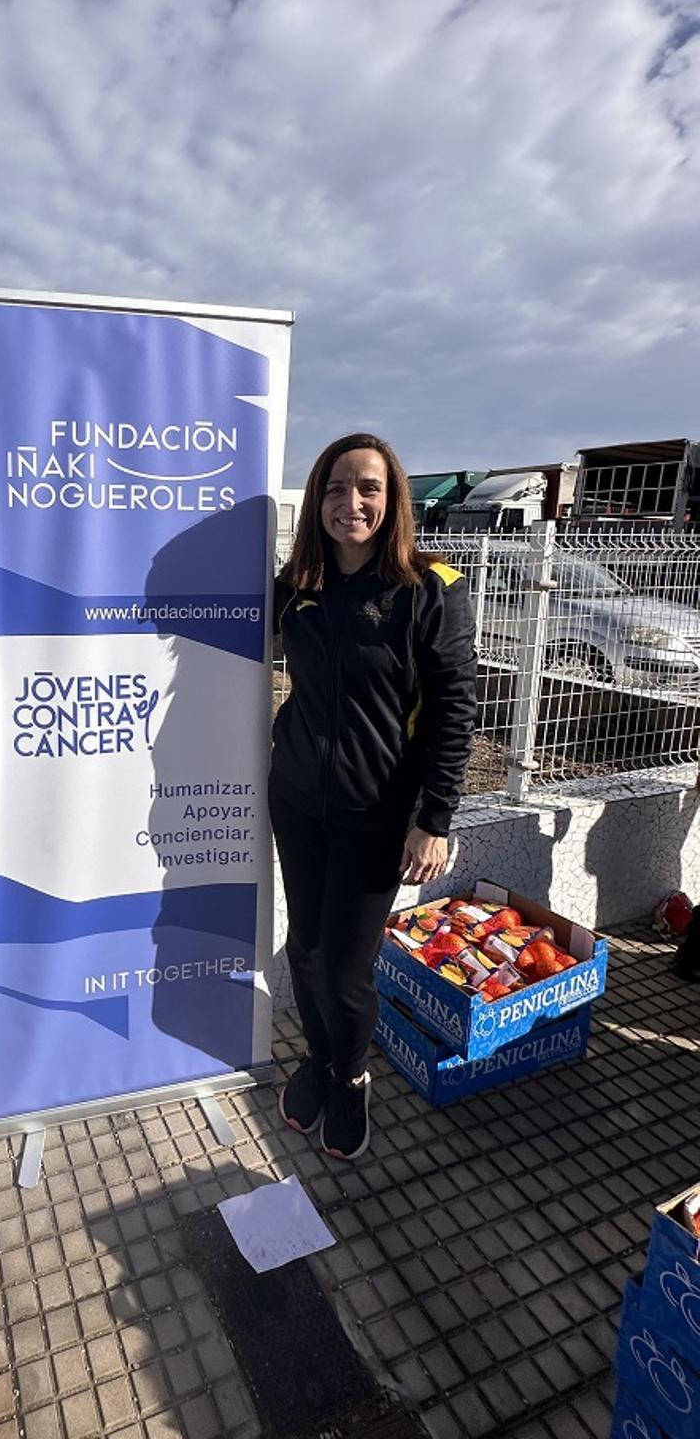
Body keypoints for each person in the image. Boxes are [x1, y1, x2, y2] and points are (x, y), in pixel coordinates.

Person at [272, 433, 476, 1161]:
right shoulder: (298, 585)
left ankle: (351, 1075)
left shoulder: (429, 589)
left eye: (368, 488)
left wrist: (434, 818)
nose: (349, 502)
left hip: (376, 815)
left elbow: (455, 709)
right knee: (304, 948)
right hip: (296, 799)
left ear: (393, 503)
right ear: (316, 501)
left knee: (345, 969)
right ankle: (320, 1060)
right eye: (334, 487)